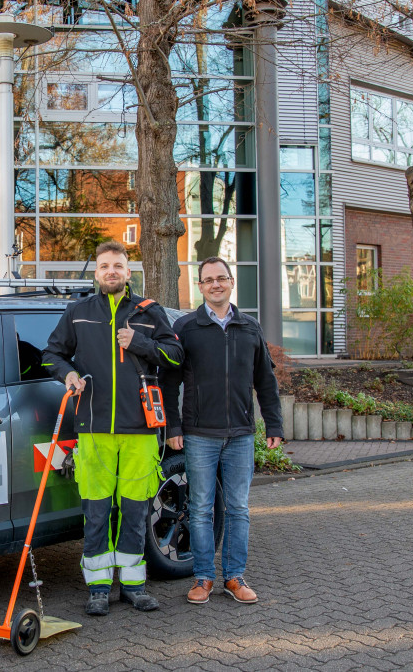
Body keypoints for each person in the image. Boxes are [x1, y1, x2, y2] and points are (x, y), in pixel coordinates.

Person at [42, 240, 183, 616]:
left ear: (128, 272)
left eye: (118, 266)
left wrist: (139, 342)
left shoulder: (148, 313)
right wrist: (68, 372)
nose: (111, 272)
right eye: (105, 266)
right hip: (93, 429)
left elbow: (174, 355)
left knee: (136, 510)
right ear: (97, 273)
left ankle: (134, 586)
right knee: (97, 511)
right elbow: (51, 354)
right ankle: (99, 588)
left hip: (140, 430)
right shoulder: (78, 312)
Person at [161, 256, 283, 605]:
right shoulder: (186, 328)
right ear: (199, 286)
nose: (215, 284)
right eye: (208, 279)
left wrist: (273, 423)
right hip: (199, 434)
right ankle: (203, 578)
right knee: (200, 509)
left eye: (222, 278)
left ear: (231, 283)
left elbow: (266, 381)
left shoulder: (250, 327)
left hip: (241, 434)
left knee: (238, 508)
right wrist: (173, 425)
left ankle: (234, 576)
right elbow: (169, 383)